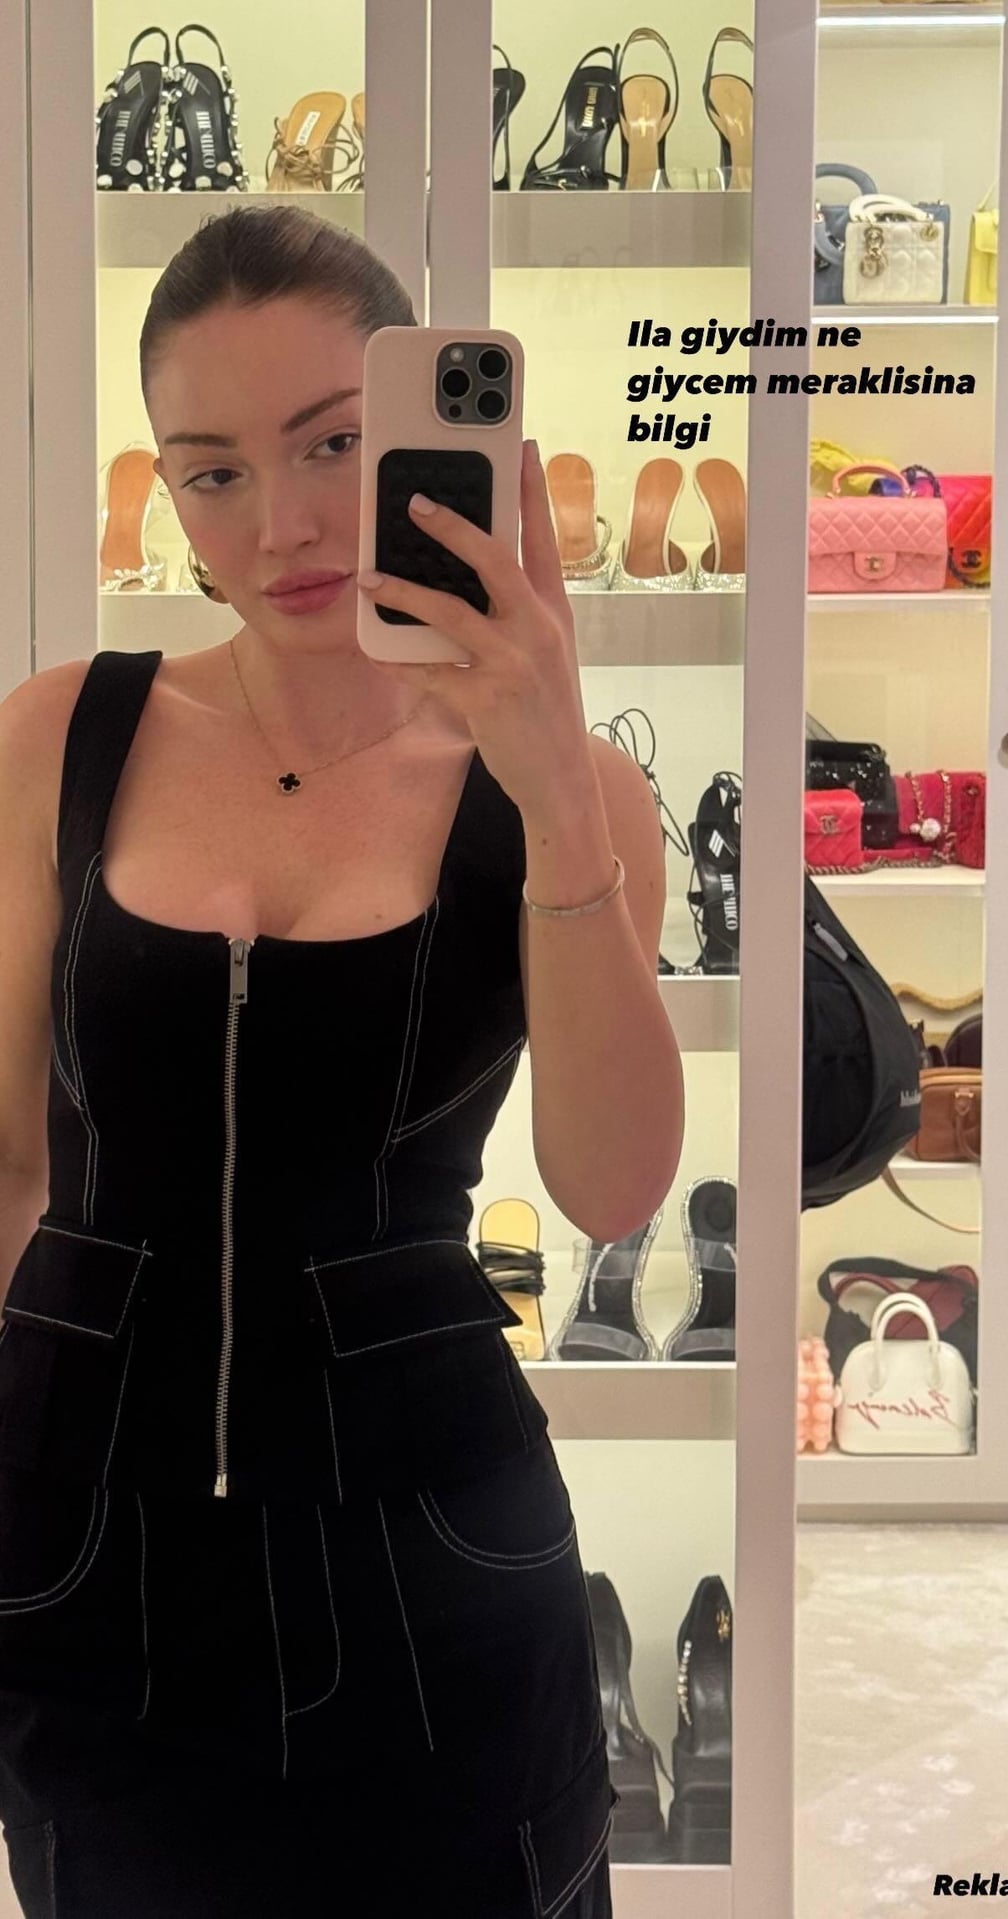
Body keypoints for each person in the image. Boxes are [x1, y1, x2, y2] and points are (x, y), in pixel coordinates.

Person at [0, 204, 684, 1915]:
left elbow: (611, 1188)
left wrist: (551, 791)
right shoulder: (59, 738)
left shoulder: (573, 792)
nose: (285, 524)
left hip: (436, 1554)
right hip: (83, 1542)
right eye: (213, 473)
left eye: (331, 445)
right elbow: (6, 1163)